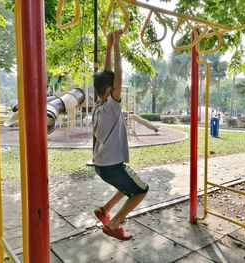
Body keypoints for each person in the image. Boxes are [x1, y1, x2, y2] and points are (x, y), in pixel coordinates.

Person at [92, 30, 149, 241]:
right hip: (112, 165)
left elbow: (107, 75)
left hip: (102, 165)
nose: (118, 86)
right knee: (141, 190)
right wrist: (116, 43)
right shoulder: (112, 108)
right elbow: (117, 74)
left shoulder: (98, 106)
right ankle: (114, 224)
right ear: (111, 89)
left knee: (128, 186)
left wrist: (107, 46)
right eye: (115, 86)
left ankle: (104, 210)